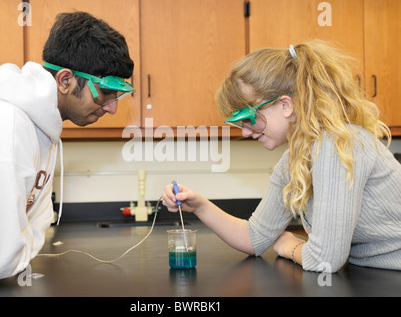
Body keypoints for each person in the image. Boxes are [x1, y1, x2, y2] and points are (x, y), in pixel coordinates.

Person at [163, 40, 401, 273]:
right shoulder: (293, 160)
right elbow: (255, 238)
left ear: (286, 105)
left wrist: (290, 245)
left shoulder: (336, 146)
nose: (245, 131)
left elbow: (324, 260)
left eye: (247, 118)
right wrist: (200, 206)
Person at [0, 12, 134, 289]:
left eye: (118, 95)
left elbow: (35, 222)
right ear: (64, 80)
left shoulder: (40, 130)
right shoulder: (5, 126)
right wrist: (12, 251)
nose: (112, 107)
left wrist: (14, 251)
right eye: (105, 91)